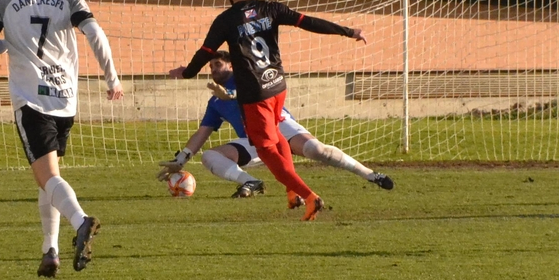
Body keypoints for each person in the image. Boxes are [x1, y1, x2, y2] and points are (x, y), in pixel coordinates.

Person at [0, 0, 123, 277]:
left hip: (31, 101)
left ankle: (81, 221)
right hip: (65, 101)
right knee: (49, 179)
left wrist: (4, 47)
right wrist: (111, 79)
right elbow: (96, 34)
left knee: (47, 177)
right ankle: (49, 251)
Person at [170, 0, 366, 221]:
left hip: (255, 96)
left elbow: (205, 53)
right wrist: (348, 31)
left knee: (266, 151)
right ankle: (291, 193)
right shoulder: (271, 8)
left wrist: (186, 73)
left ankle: (308, 196)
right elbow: (309, 22)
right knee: (278, 138)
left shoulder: (226, 20)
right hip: (277, 88)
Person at [158, 51, 393, 201]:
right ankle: (250, 182)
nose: (213, 70)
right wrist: (181, 160)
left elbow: (254, 93)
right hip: (256, 139)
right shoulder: (215, 101)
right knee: (209, 157)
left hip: (279, 124)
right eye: (210, 67)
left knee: (317, 151)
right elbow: (202, 132)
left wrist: (231, 95)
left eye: (217, 64)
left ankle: (371, 175)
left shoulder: (246, 76)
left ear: (231, 65)